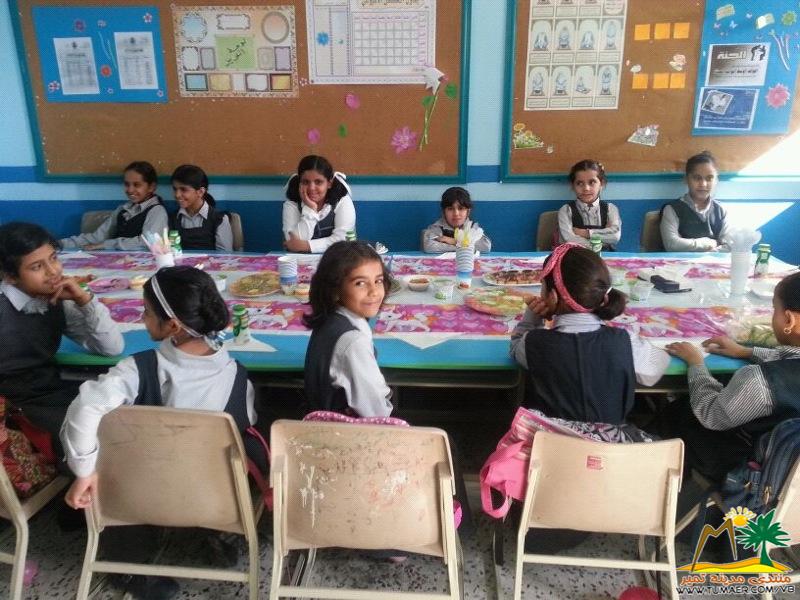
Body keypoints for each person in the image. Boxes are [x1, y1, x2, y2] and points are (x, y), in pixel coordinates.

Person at [62, 266, 263, 599]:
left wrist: (84, 472)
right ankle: (217, 533)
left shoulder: (136, 369)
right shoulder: (238, 377)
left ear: (172, 326)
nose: (142, 318)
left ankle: (126, 568)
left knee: (105, 456)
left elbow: (85, 408)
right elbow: (247, 424)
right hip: (214, 501)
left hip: (138, 497)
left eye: (146, 311)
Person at [0, 222, 123, 456]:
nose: (53, 271)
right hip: (13, 406)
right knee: (97, 440)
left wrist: (84, 300)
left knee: (123, 415)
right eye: (37, 266)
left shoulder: (54, 300)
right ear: (10, 276)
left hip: (50, 391)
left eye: (53, 258)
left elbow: (112, 348)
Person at [664, 272, 800, 482]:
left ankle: (667, 477)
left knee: (677, 412)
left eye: (774, 309)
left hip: (751, 469)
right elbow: (792, 361)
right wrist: (746, 352)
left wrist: (696, 363)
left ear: (789, 320)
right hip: (790, 473)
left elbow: (711, 415)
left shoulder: (758, 381)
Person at [510, 243, 669, 424]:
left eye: (542, 286)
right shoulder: (625, 342)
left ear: (552, 297)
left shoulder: (534, 343)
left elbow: (515, 349)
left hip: (552, 439)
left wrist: (533, 317)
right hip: (611, 441)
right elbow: (655, 369)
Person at [303, 241, 392, 417]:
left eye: (378, 280)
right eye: (360, 283)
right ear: (335, 290)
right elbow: (377, 413)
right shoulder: (353, 343)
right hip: (347, 430)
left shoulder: (331, 317)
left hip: (319, 418)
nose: (374, 291)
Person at [60, 161, 167, 251]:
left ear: (151, 187)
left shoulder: (157, 211)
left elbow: (148, 242)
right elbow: (98, 236)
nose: (130, 190)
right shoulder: (122, 209)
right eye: (127, 184)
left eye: (137, 185)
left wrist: (106, 244)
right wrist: (61, 243)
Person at [282, 155, 356, 254]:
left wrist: (306, 246)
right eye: (305, 182)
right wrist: (311, 209)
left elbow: (342, 240)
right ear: (299, 183)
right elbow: (292, 242)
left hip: (338, 259)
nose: (311, 188)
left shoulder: (342, 201)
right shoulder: (292, 204)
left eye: (318, 182)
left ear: (329, 183)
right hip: (300, 261)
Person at [660, 151, 730, 252]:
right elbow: (671, 244)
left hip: (713, 261)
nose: (703, 184)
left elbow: (729, 245)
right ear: (686, 179)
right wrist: (706, 244)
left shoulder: (722, 210)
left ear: (716, 180)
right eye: (697, 178)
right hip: (680, 262)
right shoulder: (672, 209)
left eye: (709, 178)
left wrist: (709, 254)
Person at [556, 159, 621, 250]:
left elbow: (615, 236)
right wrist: (603, 238)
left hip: (605, 256)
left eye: (592, 182)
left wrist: (584, 233)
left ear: (601, 184)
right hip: (576, 255)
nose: (586, 188)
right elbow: (568, 240)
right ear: (573, 186)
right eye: (580, 183)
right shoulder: (566, 210)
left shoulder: (610, 209)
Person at [169, 164, 233, 251]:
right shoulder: (173, 219)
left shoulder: (219, 219)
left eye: (183, 190)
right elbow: (171, 251)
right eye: (175, 189)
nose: (177, 195)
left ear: (200, 192)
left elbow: (225, 256)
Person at [422, 187, 492, 253]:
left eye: (461, 208)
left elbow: (485, 246)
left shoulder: (472, 227)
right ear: (443, 212)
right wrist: (466, 246)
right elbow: (429, 247)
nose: (456, 213)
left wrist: (454, 241)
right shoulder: (437, 227)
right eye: (450, 209)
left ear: (468, 211)